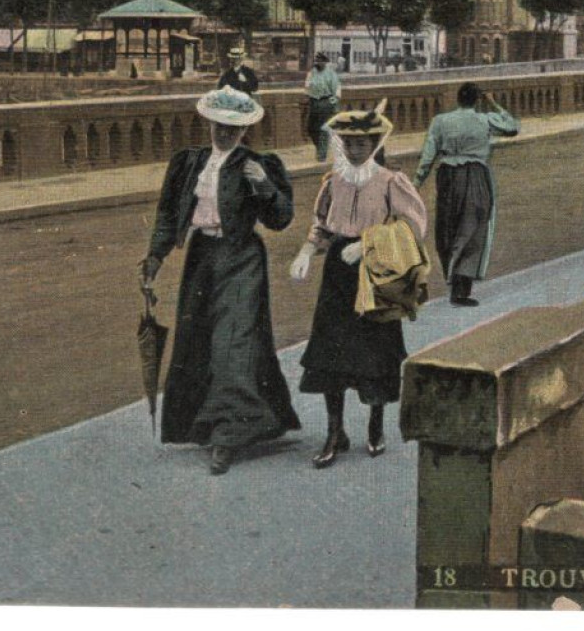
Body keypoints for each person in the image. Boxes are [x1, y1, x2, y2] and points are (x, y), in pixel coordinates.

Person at [140, 87, 300, 475]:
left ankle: (228, 436)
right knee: (200, 342)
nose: (225, 133)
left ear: (245, 129)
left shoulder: (257, 164)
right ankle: (223, 423)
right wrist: (153, 261)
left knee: (233, 342)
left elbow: (281, 218)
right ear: (209, 122)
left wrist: (264, 185)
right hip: (202, 258)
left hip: (242, 257)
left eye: (235, 128)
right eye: (220, 125)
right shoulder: (189, 164)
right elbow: (166, 216)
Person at [289, 104, 428, 468]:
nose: (353, 151)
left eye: (361, 144)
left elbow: (414, 228)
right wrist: (307, 250)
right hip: (337, 272)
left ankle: (376, 424)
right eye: (347, 144)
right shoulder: (333, 182)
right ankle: (335, 433)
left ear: (375, 144)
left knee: (375, 353)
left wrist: (367, 243)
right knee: (330, 353)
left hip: (376, 272)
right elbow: (321, 224)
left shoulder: (390, 182)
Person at [414, 82, 520, 307]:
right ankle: (461, 288)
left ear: (458, 99)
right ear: (477, 101)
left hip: (447, 175)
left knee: (448, 226)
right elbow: (512, 126)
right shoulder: (484, 119)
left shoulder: (441, 121)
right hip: (475, 175)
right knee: (473, 228)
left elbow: (428, 153)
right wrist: (493, 103)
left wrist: (417, 182)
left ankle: (451, 279)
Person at [303, 52, 341, 162]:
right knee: (311, 129)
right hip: (314, 102)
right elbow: (307, 86)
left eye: (320, 61)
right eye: (316, 61)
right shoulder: (312, 73)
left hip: (326, 102)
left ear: (325, 62)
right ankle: (320, 147)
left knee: (324, 129)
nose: (318, 63)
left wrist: (331, 103)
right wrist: (307, 96)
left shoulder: (331, 74)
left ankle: (322, 154)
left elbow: (337, 90)